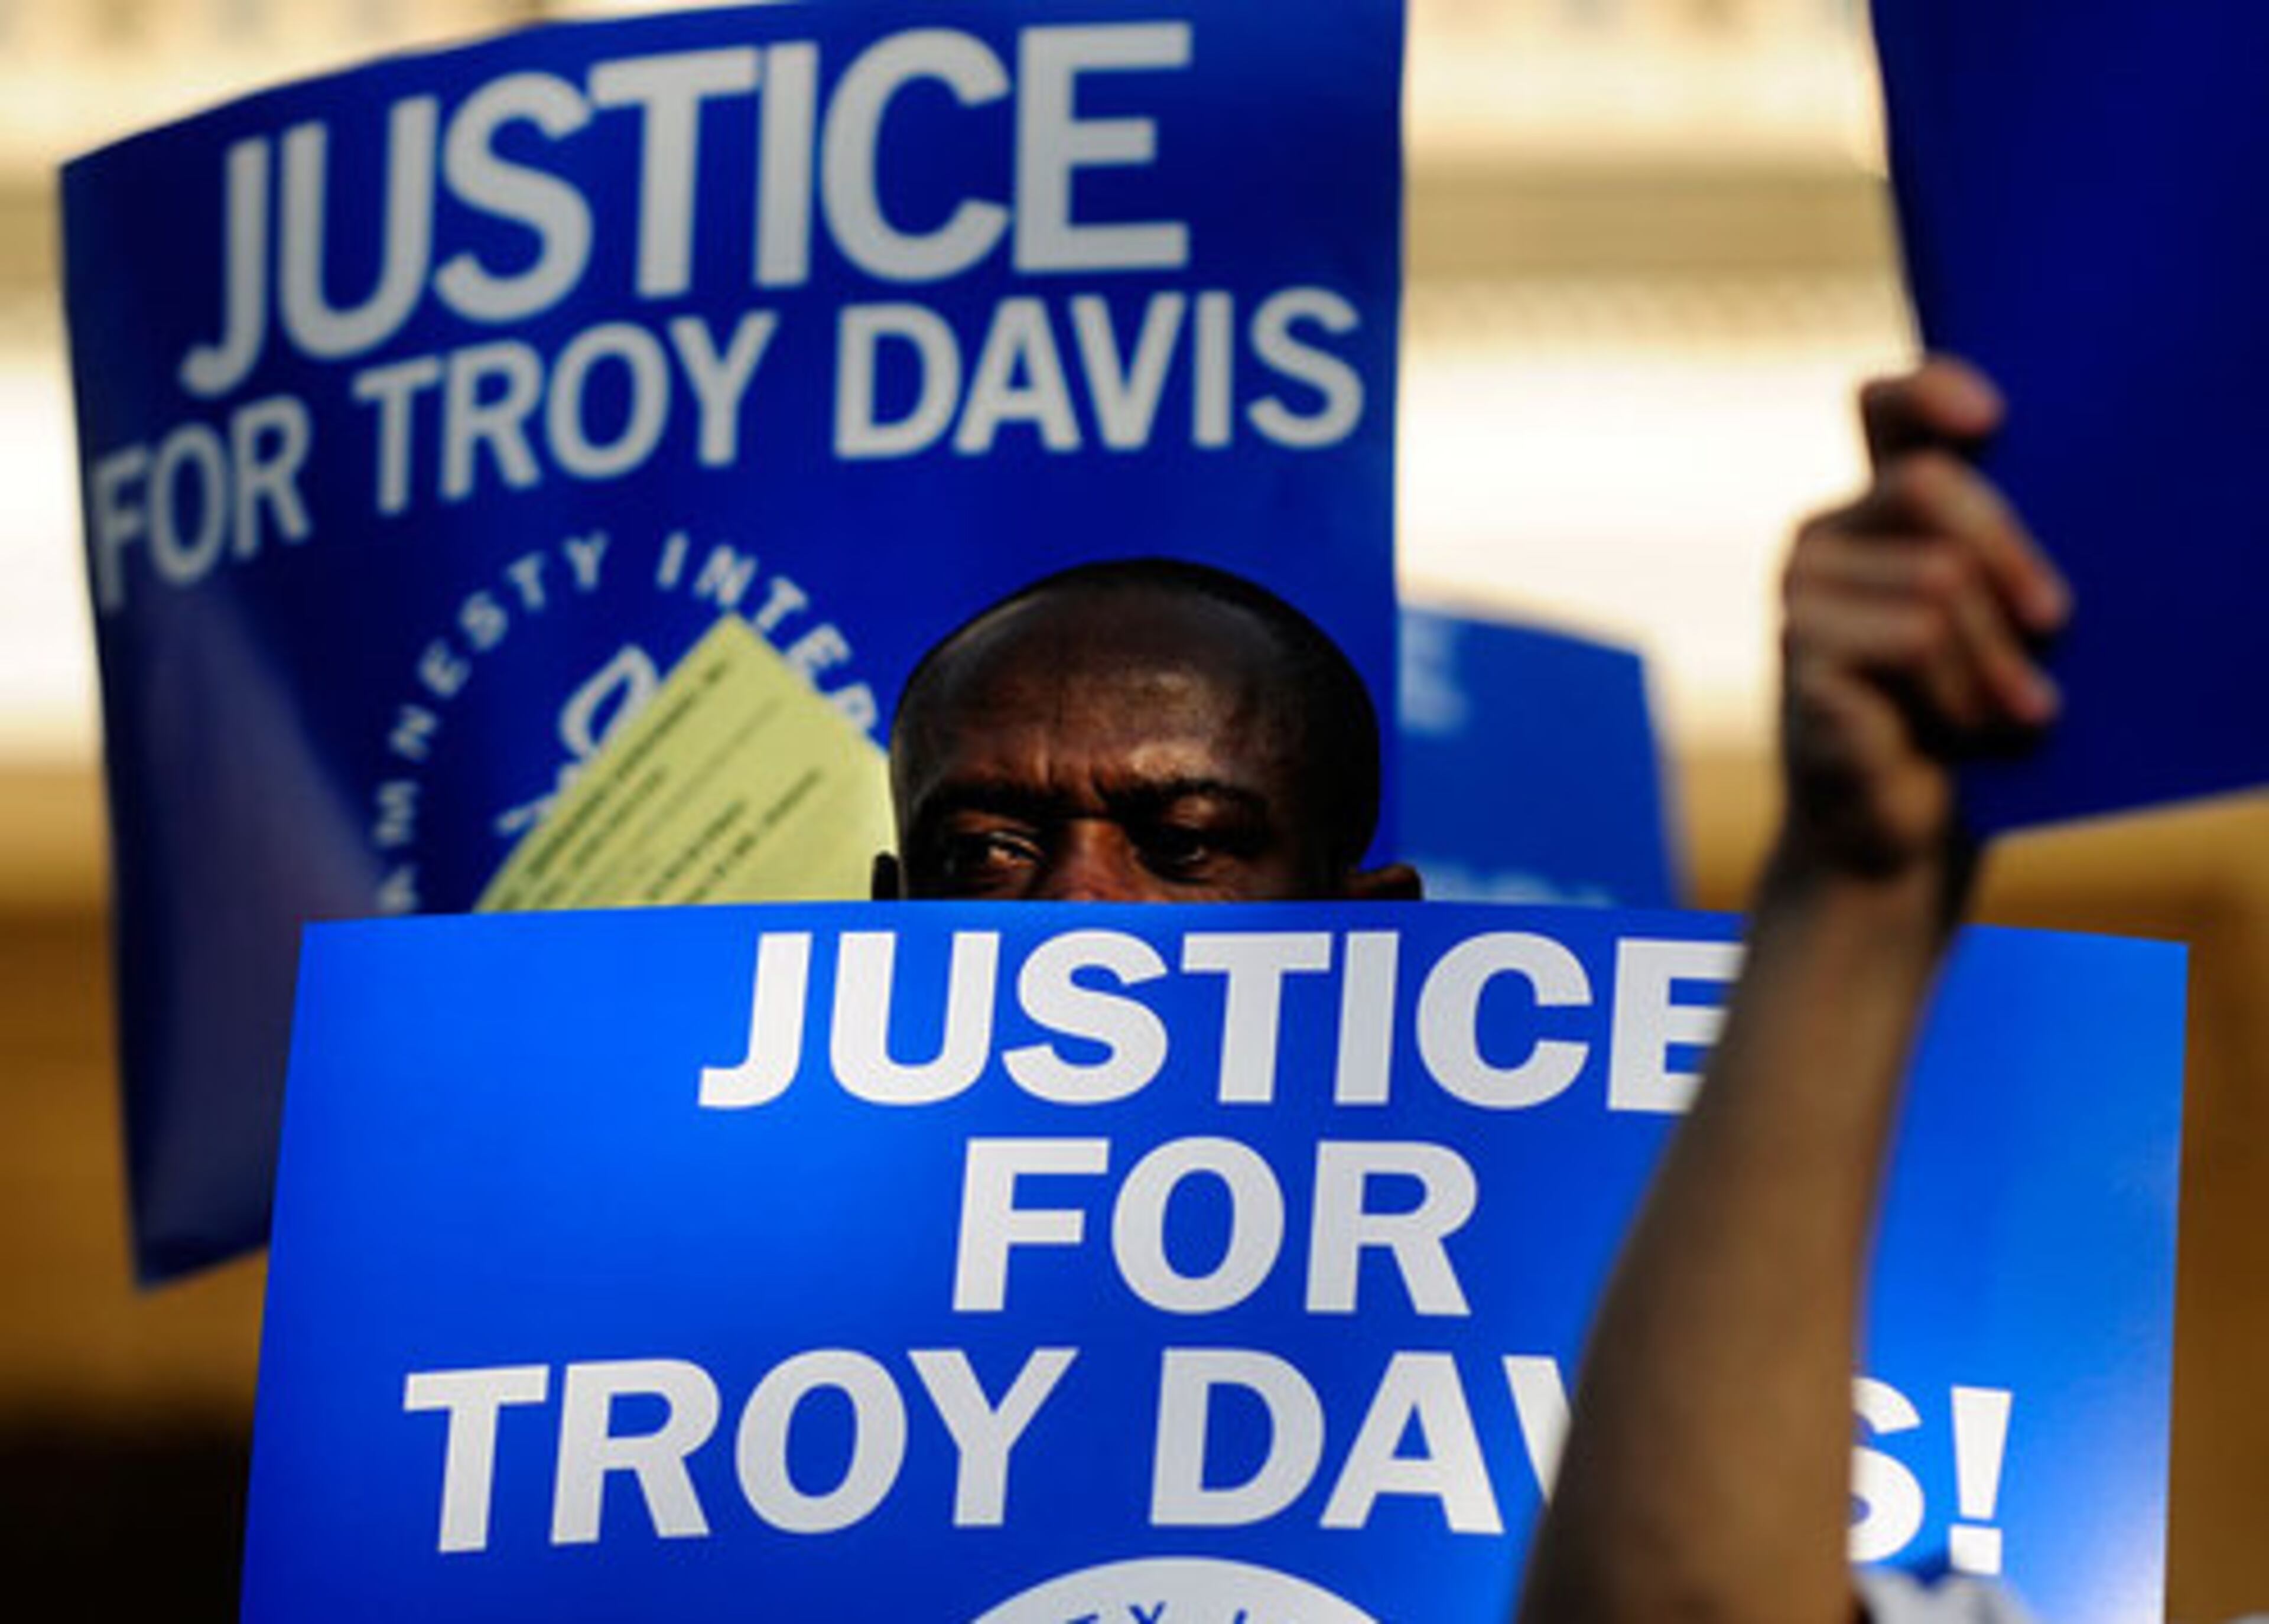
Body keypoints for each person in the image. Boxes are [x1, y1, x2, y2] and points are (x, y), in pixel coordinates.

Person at [872, 357, 2063, 1622]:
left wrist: (1856, 891)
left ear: (1368, 933)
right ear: (883, 917)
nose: (1078, 912)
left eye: (1186, 842)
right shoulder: (688, 1331)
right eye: (989, 851)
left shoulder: (1631, 1325)